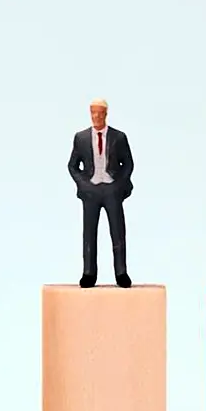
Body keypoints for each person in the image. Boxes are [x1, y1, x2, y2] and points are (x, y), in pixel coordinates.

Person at [67, 98, 134, 288]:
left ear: (105, 114)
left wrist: (119, 184)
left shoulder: (118, 137)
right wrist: (83, 184)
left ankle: (121, 272)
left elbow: (128, 163)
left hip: (111, 190)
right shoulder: (81, 138)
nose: (96, 117)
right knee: (89, 232)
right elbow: (72, 165)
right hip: (91, 191)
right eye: (93, 113)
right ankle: (89, 272)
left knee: (118, 231)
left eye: (99, 113)